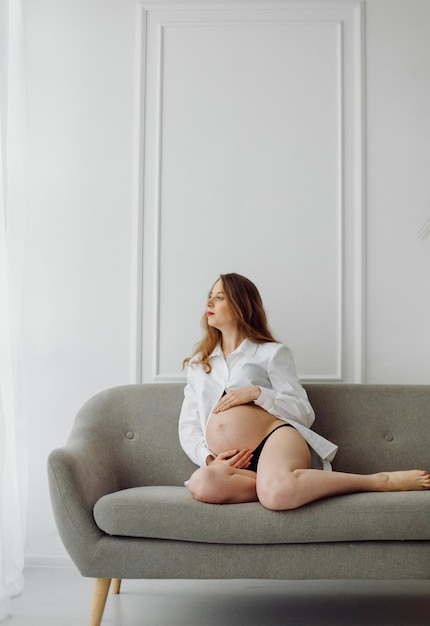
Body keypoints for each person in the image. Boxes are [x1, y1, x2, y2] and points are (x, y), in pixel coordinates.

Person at [178, 273, 430, 510]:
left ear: (241, 305)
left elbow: (303, 411)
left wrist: (257, 393)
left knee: (276, 496)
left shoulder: (271, 354)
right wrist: (210, 460)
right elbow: (188, 425)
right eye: (210, 295)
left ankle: (378, 481)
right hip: (232, 464)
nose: (209, 301)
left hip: (274, 439)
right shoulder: (199, 364)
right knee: (202, 484)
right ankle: (277, 483)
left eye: (219, 296)